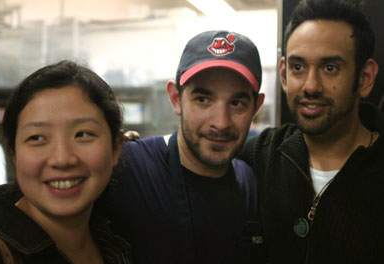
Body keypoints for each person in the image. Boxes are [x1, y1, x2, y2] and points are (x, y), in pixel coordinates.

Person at [100, 30, 267, 264]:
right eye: (203, 100)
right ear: (176, 99)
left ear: (256, 107)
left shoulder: (249, 183)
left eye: (237, 103)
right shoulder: (127, 166)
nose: (220, 122)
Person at [239, 0, 384, 263]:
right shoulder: (261, 155)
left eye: (330, 68)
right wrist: (138, 149)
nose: (311, 86)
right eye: (298, 67)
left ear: (365, 78)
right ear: (283, 75)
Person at [0, 60, 132, 263]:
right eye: (37, 138)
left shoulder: (116, 237)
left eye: (83, 134)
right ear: (14, 155)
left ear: (116, 148)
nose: (62, 159)